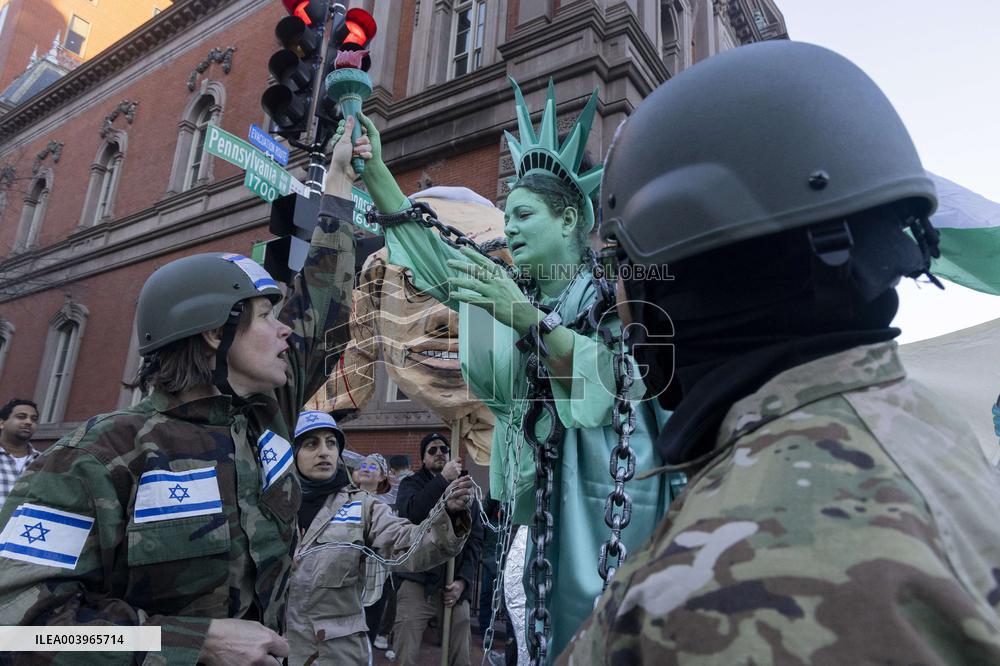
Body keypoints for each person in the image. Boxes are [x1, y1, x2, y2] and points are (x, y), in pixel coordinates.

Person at [558, 40, 1000, 663]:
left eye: (619, 267)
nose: (620, 303)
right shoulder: (939, 437)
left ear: (682, 267)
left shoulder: (703, 590)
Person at [0, 117, 366, 664]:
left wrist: (339, 178)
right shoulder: (94, 459)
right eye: (267, 314)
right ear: (216, 332)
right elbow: (20, 628)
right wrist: (192, 643)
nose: (286, 328)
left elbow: (326, 296)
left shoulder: (269, 418)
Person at [356, 77, 673, 660]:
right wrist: (375, 170)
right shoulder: (497, 287)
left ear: (571, 221)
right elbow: (435, 258)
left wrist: (530, 320)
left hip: (602, 509)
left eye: (525, 214)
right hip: (530, 514)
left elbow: (610, 388)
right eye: (508, 215)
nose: (513, 227)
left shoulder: (614, 296)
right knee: (529, 636)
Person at [285, 410, 475, 666]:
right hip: (276, 648)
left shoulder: (363, 507)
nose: (324, 451)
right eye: (311, 444)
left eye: (331, 443)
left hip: (335, 654)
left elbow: (408, 546)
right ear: (293, 452)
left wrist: (449, 516)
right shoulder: (269, 506)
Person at [393, 432, 484, 666]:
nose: (439, 453)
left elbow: (474, 539)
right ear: (423, 458)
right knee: (406, 652)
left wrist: (463, 581)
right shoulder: (410, 484)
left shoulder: (466, 488)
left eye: (444, 449)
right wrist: (442, 481)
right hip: (417, 579)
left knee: (461, 655)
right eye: (431, 450)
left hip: (452, 582)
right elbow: (411, 514)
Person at [0, 399, 40, 509]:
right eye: (21, 416)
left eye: (34, 419)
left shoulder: (44, 462)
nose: (29, 422)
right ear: (2, 423)